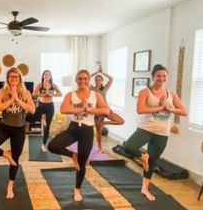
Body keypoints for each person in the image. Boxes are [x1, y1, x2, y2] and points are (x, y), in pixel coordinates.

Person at [124, 64, 186, 201]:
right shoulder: (146, 92)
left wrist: (171, 109)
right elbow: (140, 109)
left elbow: (184, 111)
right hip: (146, 128)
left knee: (152, 162)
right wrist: (159, 107)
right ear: (153, 77)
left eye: (164, 76)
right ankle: (142, 156)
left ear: (167, 78)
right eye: (158, 76)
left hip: (162, 133)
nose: (161, 78)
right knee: (128, 147)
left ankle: (145, 188)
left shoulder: (171, 94)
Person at [48, 69, 109, 201]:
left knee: (81, 164)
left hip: (87, 131)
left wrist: (89, 109)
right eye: (80, 79)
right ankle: (72, 155)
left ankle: (77, 190)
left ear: (88, 80)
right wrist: (81, 108)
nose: (82, 81)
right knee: (52, 146)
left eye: (85, 79)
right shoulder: (71, 95)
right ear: (76, 80)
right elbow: (63, 109)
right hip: (74, 128)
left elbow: (106, 110)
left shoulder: (95, 95)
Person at [0, 67, 35, 199]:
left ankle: (10, 184)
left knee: (15, 160)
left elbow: (32, 110)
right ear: (7, 78)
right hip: (4, 127)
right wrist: (12, 99)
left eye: (16, 77)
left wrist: (18, 99)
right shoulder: (2, 91)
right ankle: (6, 153)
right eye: (11, 77)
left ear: (20, 79)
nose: (14, 79)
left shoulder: (26, 92)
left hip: (19, 129)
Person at [32, 70, 62, 152]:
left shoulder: (53, 85)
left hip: (50, 106)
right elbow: (34, 94)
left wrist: (52, 95)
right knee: (31, 116)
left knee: (47, 127)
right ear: (43, 76)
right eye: (45, 74)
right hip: (41, 105)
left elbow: (60, 93)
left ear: (50, 76)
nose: (46, 75)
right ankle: (42, 117)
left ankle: (43, 144)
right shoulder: (40, 85)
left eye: (48, 74)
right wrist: (44, 94)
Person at [90, 65, 116, 152]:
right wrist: (97, 72)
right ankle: (89, 145)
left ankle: (99, 147)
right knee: (89, 130)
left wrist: (102, 72)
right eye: (96, 80)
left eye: (99, 80)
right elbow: (88, 76)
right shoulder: (92, 88)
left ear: (102, 81)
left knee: (99, 131)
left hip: (102, 112)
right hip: (93, 111)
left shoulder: (104, 88)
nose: (97, 81)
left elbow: (111, 78)